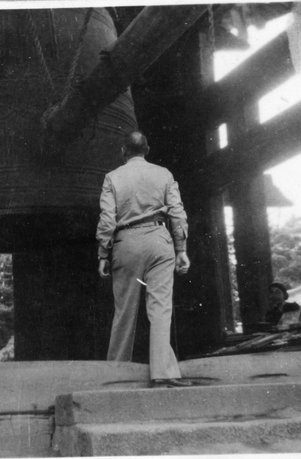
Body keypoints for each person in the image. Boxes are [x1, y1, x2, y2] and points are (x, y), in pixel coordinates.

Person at [96, 131, 192, 388]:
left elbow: (107, 219)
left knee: (124, 311)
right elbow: (178, 213)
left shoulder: (112, 178)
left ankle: (115, 375)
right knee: (161, 310)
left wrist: (103, 253)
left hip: (127, 243)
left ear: (123, 151)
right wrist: (181, 249)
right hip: (160, 242)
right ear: (147, 149)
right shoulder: (164, 174)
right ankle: (164, 374)